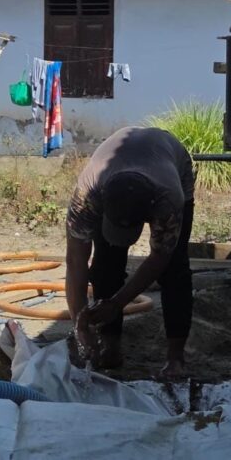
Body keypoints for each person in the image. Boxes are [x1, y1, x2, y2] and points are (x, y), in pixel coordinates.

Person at [65, 126, 195, 377]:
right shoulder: (87, 196)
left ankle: (175, 358)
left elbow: (160, 256)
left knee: (175, 268)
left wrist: (117, 303)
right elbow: (75, 261)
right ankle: (110, 345)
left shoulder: (169, 199)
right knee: (105, 264)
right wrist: (79, 324)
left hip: (171, 159)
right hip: (120, 167)